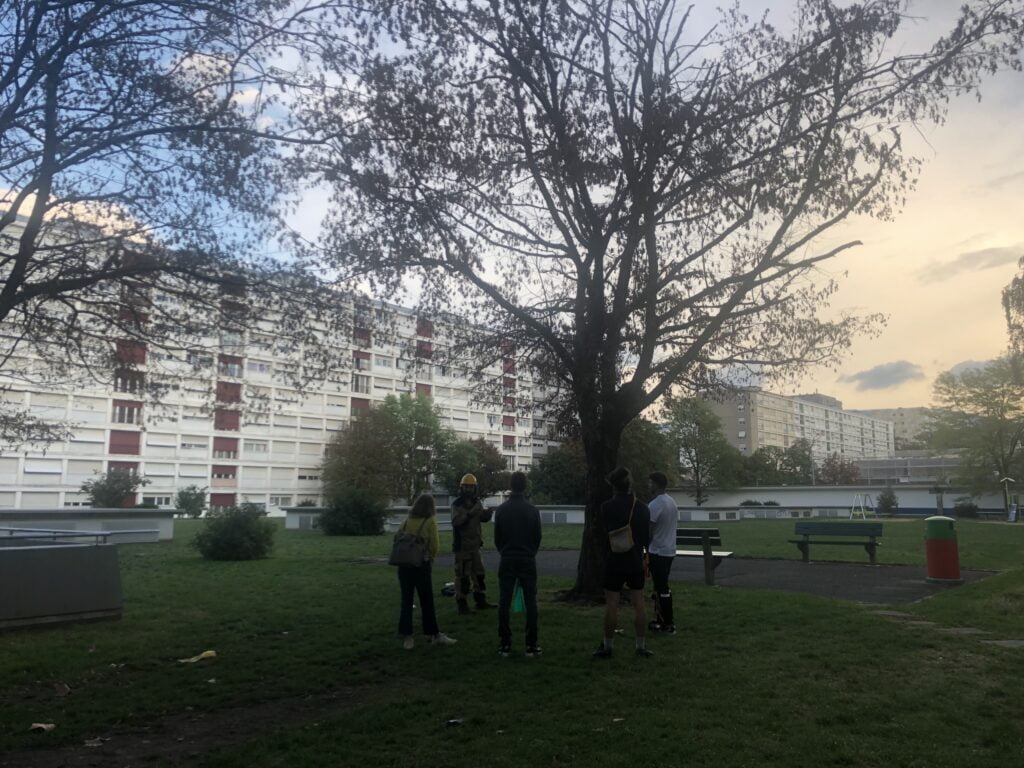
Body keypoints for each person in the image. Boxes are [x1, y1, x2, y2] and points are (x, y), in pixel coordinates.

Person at [594, 467, 652, 658]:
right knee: (639, 603)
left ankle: (608, 646)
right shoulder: (642, 508)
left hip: (614, 560)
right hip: (635, 560)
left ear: (614, 486)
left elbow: (602, 535)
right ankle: (641, 646)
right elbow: (646, 537)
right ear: (630, 484)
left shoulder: (606, 507)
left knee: (612, 604)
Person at [397, 494, 457, 649]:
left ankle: (408, 637)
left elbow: (397, 538)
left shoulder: (406, 521)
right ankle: (433, 634)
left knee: (406, 601)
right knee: (426, 601)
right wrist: (429, 558)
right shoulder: (430, 522)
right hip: (421, 566)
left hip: (403, 566)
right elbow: (434, 545)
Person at [494, 471, 542, 658]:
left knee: (504, 601)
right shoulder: (532, 510)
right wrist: (530, 552)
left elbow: (498, 538)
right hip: (527, 558)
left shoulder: (502, 510)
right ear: (526, 486)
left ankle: (505, 643)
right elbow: (537, 537)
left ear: (511, 485)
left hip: (507, 558)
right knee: (531, 601)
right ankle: (531, 644)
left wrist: (505, 551)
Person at [451, 473, 494, 614]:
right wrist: (470, 513)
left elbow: (481, 518)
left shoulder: (477, 502)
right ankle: (462, 605)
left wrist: (487, 515)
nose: (469, 489)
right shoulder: (456, 504)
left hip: (475, 545)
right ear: (462, 488)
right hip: (462, 547)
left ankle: (480, 600)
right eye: (466, 487)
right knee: (463, 577)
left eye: (471, 487)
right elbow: (456, 522)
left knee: (479, 574)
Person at [646, 471, 677, 634]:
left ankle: (667, 623)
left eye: (650, 482)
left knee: (661, 587)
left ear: (657, 484)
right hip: (669, 549)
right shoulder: (671, 501)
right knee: (661, 586)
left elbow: (649, 530)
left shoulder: (655, 504)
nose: (648, 485)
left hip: (658, 550)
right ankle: (661, 619)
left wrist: (644, 547)